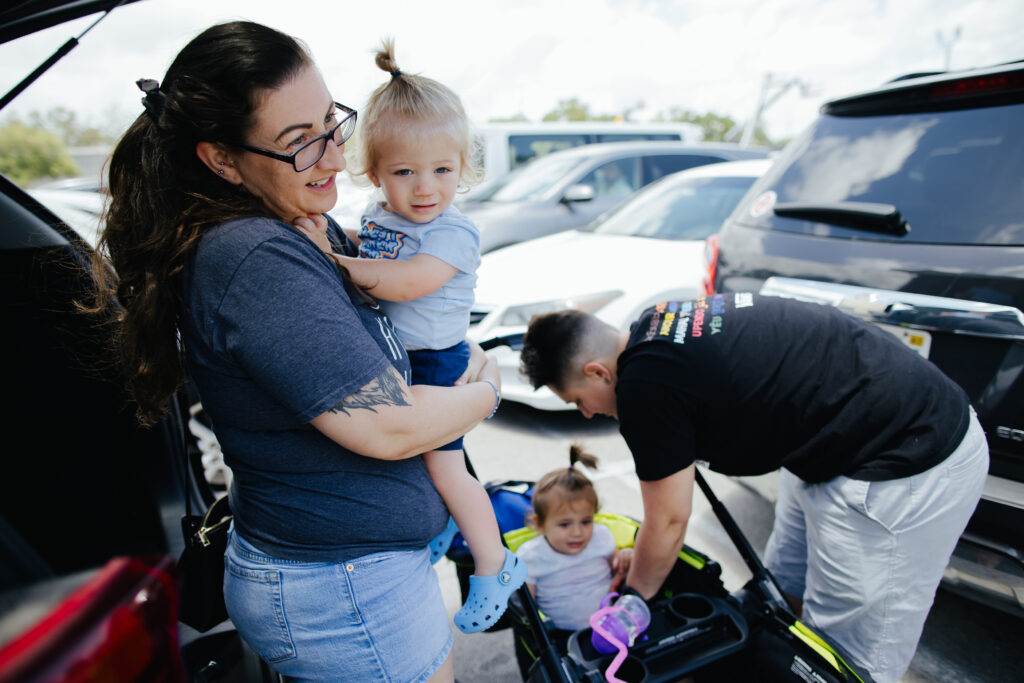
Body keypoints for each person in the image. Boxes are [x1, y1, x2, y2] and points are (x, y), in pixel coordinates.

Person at [94, 21, 504, 682]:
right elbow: (389, 423)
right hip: (350, 592)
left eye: (329, 123)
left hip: (350, 579)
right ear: (222, 159)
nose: (337, 158)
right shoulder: (257, 257)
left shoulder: (292, 226)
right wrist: (485, 393)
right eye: (300, 142)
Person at [519, 293, 989, 683]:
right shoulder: (659, 324)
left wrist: (632, 605)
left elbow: (667, 522)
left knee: (844, 660)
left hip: (905, 456)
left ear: (599, 373)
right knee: (779, 593)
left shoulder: (645, 385)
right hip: (834, 445)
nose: (584, 414)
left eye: (578, 400)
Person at [295, 39, 525, 635]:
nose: (426, 188)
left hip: (437, 362)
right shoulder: (382, 215)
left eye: (442, 171)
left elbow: (405, 281)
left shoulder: (454, 233)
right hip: (399, 357)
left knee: (449, 471)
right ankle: (442, 527)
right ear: (374, 173)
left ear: (462, 169)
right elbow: (372, 245)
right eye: (405, 172)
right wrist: (330, 232)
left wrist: (334, 263)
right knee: (412, 463)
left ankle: (496, 565)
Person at [516, 444, 633, 632]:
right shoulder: (531, 556)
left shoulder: (601, 537)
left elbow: (618, 568)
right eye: (565, 524)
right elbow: (525, 607)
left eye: (586, 522)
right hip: (563, 633)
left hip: (612, 623)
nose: (578, 532)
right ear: (539, 524)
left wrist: (626, 556)